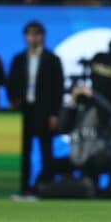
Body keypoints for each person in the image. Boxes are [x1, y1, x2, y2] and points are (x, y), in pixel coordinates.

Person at [7, 21, 65, 195]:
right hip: (24, 111)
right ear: (25, 36)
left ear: (42, 36)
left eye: (37, 34)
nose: (33, 38)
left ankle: (46, 187)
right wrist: (13, 102)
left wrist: (54, 113)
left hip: (44, 111)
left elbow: (58, 88)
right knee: (24, 151)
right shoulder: (18, 59)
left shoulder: (52, 60)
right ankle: (23, 186)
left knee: (46, 150)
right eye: (30, 34)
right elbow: (11, 83)